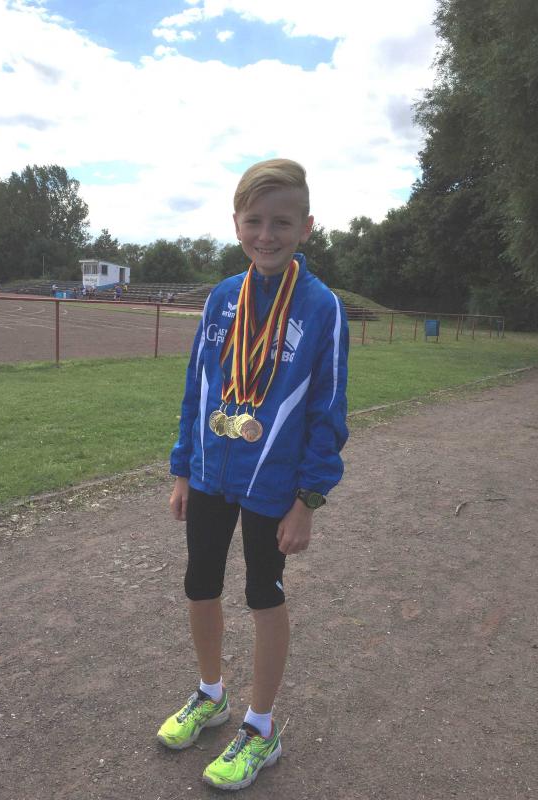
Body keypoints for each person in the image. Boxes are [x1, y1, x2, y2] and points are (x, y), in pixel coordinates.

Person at [157, 158, 349, 791]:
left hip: (273, 484)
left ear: (306, 227)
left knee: (264, 596)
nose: (267, 235)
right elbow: (197, 388)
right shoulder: (221, 298)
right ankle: (210, 694)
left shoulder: (321, 308)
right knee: (200, 584)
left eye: (282, 222)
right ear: (236, 223)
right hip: (210, 472)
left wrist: (308, 500)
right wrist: (183, 469)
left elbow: (328, 410)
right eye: (255, 221)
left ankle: (261, 728)